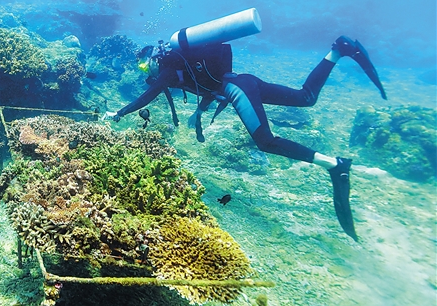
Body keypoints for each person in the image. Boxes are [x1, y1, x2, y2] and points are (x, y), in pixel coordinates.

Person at [107, 35, 387, 241]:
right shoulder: (179, 66)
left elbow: (148, 96)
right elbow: (207, 84)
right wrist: (200, 112)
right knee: (305, 98)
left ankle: (334, 165)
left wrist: (118, 113)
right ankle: (338, 49)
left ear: (153, 58)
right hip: (245, 81)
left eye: (143, 66)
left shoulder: (168, 70)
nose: (145, 72)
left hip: (237, 89)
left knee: (266, 142)